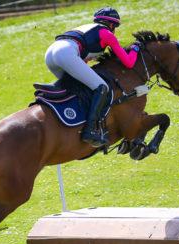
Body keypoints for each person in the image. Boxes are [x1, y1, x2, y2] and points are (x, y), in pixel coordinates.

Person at [45, 7, 141, 147]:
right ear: (112, 25)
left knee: (78, 87)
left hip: (50, 54)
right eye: (115, 27)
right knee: (102, 87)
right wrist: (135, 49)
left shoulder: (86, 28)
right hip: (66, 53)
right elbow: (129, 62)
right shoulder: (107, 33)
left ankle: (69, 121)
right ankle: (90, 130)